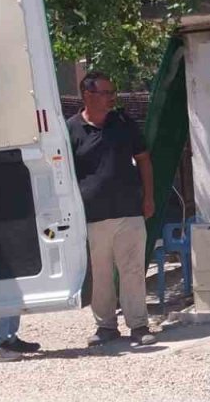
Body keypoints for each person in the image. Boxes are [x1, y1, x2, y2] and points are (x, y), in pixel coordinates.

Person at [68, 71, 158, 347]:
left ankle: (139, 325)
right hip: (92, 215)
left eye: (112, 93)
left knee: (132, 270)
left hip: (129, 210)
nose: (111, 98)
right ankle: (105, 326)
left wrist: (148, 197)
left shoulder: (123, 123)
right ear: (87, 95)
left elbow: (143, 159)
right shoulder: (71, 129)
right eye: (105, 93)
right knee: (101, 272)